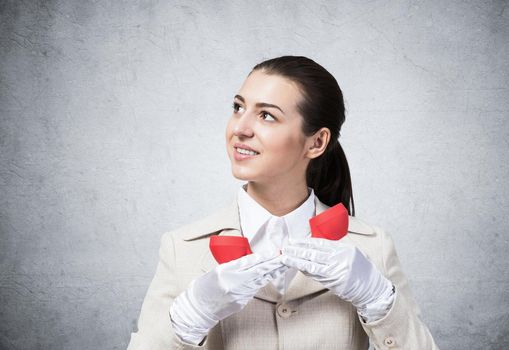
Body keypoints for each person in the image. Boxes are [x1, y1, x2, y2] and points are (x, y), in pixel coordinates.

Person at [127, 55, 439, 349]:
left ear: (316, 142)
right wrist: (186, 321)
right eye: (238, 108)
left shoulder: (373, 249)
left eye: (266, 115)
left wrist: (381, 301)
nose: (240, 128)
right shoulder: (182, 249)